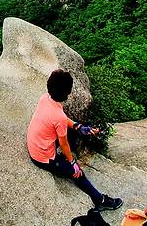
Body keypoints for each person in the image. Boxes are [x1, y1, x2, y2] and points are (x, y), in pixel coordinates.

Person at [27, 69, 123, 212]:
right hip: (43, 157)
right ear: (68, 92)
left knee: (74, 130)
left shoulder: (45, 98)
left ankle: (79, 133)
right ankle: (100, 200)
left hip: (37, 143)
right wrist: (73, 163)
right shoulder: (58, 115)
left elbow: (61, 120)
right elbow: (63, 142)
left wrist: (79, 127)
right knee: (78, 174)